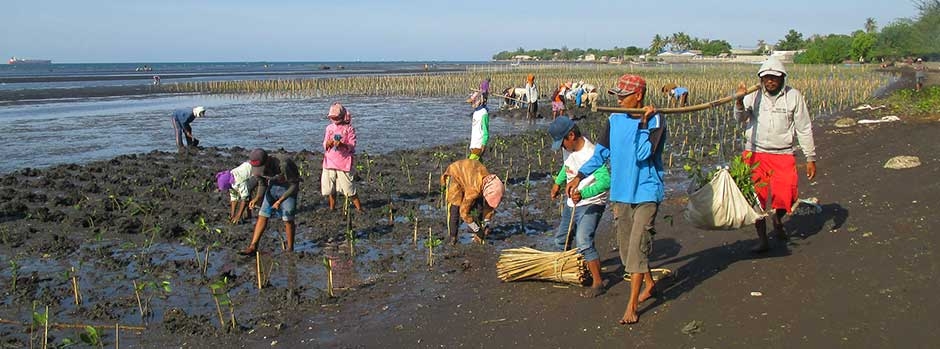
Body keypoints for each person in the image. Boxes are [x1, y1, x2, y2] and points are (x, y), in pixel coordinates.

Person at [566, 73, 666, 324]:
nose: (619, 100)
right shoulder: (614, 119)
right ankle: (650, 283)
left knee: (637, 246)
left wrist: (644, 123)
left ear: (639, 95)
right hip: (621, 194)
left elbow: (644, 154)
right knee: (628, 249)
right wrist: (580, 176)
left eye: (623, 95)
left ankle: (631, 306)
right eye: (617, 95)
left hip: (645, 191)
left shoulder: (656, 120)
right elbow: (600, 154)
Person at [734, 57, 817, 253]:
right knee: (756, 199)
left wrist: (810, 158)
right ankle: (763, 239)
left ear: (782, 79)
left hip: (783, 153)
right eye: (767, 78)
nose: (770, 81)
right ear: (761, 79)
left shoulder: (793, 96)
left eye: (774, 78)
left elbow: (804, 128)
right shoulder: (752, 96)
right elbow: (740, 119)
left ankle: (778, 218)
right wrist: (738, 100)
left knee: (787, 194)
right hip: (755, 153)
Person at [548, 116, 610, 297]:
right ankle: (565, 271)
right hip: (571, 203)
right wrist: (557, 183)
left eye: (562, 143)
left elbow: (606, 181)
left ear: (572, 135)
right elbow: (567, 166)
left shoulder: (591, 153)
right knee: (561, 240)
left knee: (583, 241)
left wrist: (584, 193)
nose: (561, 147)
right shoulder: (569, 149)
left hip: (591, 203)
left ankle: (598, 283)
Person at [239, 148, 301, 254]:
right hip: (272, 187)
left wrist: (280, 201)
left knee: (287, 219)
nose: (260, 170)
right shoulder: (255, 168)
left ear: (267, 161)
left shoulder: (283, 164)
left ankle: (290, 249)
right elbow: (262, 183)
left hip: (288, 188)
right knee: (263, 215)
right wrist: (257, 198)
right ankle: (253, 246)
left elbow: (294, 185)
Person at [441, 159, 503, 245]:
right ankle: (453, 237)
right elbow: (463, 212)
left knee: (479, 207)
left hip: (471, 175)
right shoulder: (473, 191)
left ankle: (477, 237)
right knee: (455, 207)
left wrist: (486, 223)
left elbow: (489, 206)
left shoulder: (493, 184)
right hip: (456, 174)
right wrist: (476, 228)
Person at [322, 102, 363, 212]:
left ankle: (359, 209)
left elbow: (352, 146)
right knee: (331, 188)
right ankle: (332, 208)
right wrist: (328, 143)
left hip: (343, 162)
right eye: (332, 117)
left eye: (336, 117)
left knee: (349, 188)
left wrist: (342, 145)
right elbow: (324, 143)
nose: (334, 119)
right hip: (329, 162)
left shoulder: (348, 129)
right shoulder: (329, 128)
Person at [466, 92, 490, 160]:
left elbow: (486, 131)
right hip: (474, 144)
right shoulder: (475, 112)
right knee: (478, 167)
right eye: (471, 103)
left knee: (469, 166)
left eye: (473, 102)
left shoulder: (483, 113)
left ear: (479, 101)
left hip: (479, 146)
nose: (471, 104)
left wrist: (483, 145)